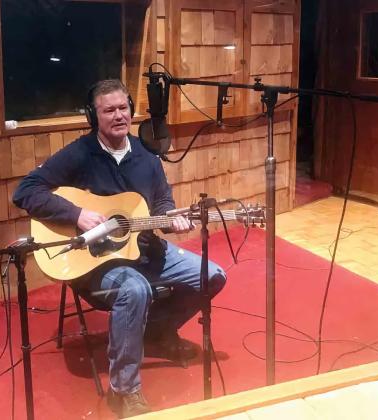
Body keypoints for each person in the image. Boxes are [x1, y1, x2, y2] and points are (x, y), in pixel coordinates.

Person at [12, 79, 226, 418]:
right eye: (108, 110)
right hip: (96, 260)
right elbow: (25, 191)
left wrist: (171, 219)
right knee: (135, 290)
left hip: (145, 249)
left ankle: (157, 330)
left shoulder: (147, 157)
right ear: (93, 116)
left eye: (123, 107)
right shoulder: (80, 154)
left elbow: (162, 204)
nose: (118, 115)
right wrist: (77, 214)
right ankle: (124, 389)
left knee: (213, 275)